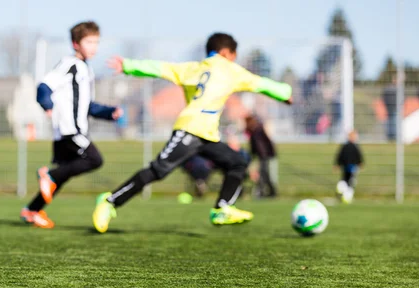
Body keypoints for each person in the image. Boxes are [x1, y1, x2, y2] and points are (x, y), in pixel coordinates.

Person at [92, 32, 293, 233]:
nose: (234, 61)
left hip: (206, 135)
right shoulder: (231, 70)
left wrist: (128, 65)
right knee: (157, 170)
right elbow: (261, 84)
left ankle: (222, 208)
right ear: (226, 53)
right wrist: (285, 93)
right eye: (233, 56)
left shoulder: (192, 68)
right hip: (190, 130)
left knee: (237, 161)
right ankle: (110, 202)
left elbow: (161, 68)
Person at [20, 21, 123, 228]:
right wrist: (46, 103)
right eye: (89, 41)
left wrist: (108, 113)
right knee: (95, 159)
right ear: (76, 44)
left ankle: (32, 210)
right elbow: (44, 86)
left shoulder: (86, 69)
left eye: (96, 42)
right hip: (70, 130)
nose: (94, 46)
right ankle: (47, 175)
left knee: (62, 176)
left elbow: (88, 106)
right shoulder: (70, 64)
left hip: (70, 132)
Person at [244, 114, 277, 198]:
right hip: (262, 155)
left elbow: (259, 145)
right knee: (265, 174)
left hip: (263, 155)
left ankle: (263, 192)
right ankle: (271, 192)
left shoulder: (256, 130)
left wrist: (254, 155)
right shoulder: (256, 129)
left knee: (263, 173)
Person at [334, 130, 364, 204]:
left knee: (348, 179)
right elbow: (340, 155)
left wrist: (360, 162)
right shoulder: (347, 146)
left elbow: (358, 156)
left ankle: (343, 189)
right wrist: (338, 164)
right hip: (348, 166)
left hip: (351, 166)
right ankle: (346, 193)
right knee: (350, 180)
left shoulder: (354, 146)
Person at [382, 76, 397, 142]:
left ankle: (393, 137)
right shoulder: (389, 88)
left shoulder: (398, 88)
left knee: (394, 123)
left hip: (395, 109)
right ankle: (391, 137)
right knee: (391, 123)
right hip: (390, 109)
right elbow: (384, 97)